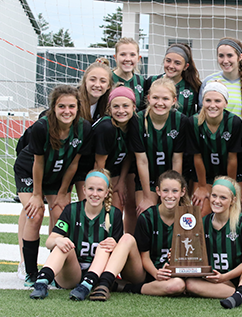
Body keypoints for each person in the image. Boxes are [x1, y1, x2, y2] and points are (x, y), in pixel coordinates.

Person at [14, 85, 92, 286]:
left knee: (59, 215)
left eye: (71, 107)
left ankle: (53, 271)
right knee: (35, 213)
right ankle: (31, 272)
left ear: (78, 107)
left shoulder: (84, 128)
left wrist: (62, 192)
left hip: (59, 174)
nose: (67, 111)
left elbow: (74, 163)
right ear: (53, 108)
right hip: (30, 171)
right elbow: (38, 162)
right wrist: (37, 195)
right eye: (61, 106)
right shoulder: (42, 127)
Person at [86, 170, 188, 301]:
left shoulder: (189, 219)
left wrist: (176, 261)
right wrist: (156, 273)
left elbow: (192, 256)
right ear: (158, 191)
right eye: (165, 190)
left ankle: (126, 288)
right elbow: (144, 257)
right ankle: (105, 282)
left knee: (178, 286)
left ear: (182, 192)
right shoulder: (147, 217)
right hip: (146, 272)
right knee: (127, 238)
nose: (170, 195)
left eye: (175, 191)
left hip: (173, 275)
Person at [29, 169, 123, 300]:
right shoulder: (71, 210)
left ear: (107, 193)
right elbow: (49, 242)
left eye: (100, 190)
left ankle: (86, 286)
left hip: (98, 274)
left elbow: (120, 252)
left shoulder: (114, 215)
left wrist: (115, 245)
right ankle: (41, 282)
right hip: (72, 273)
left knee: (105, 245)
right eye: (91, 188)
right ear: (83, 189)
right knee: (64, 244)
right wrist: (58, 241)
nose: (95, 194)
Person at [185, 176, 242, 309]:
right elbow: (195, 254)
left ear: (233, 200)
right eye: (214, 196)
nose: (216, 201)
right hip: (216, 280)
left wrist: (225, 276)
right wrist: (177, 257)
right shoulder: (203, 222)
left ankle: (241, 292)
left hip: (240, 277)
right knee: (190, 284)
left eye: (223, 198)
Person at [129, 77, 188, 216]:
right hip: (147, 179)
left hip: (171, 178)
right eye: (155, 98)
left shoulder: (181, 121)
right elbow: (142, 161)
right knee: (146, 214)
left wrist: (174, 191)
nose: (160, 103)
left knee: (173, 214)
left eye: (165, 99)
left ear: (174, 101)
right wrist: (147, 197)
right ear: (148, 98)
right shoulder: (137, 120)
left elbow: (177, 160)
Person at [187, 82, 242, 217]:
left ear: (225, 103)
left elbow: (232, 159)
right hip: (204, 175)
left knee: (231, 213)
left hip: (229, 174)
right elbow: (197, 157)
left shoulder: (234, 122)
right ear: (202, 102)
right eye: (208, 100)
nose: (212, 105)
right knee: (201, 211)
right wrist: (202, 186)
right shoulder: (193, 122)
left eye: (217, 100)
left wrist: (229, 187)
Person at [93, 86, 138, 233]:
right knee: (99, 207)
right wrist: (102, 188)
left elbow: (128, 156)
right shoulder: (107, 127)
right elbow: (99, 165)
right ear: (109, 108)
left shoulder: (133, 124)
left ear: (134, 107)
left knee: (117, 209)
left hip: (114, 171)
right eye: (116, 106)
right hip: (94, 171)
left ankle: (117, 244)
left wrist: (120, 182)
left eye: (125, 106)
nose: (121, 110)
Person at [73, 57, 114, 201]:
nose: (97, 85)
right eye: (92, 80)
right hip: (65, 161)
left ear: (109, 85)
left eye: (103, 81)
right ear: (85, 81)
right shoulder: (71, 102)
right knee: (57, 206)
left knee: (88, 204)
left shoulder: (109, 106)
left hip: (87, 163)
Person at [199, 37, 242, 123]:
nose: (225, 61)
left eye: (229, 55)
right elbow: (202, 112)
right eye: (221, 56)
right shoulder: (209, 81)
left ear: (240, 57)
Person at [144, 43, 201, 117]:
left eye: (177, 63)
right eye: (168, 61)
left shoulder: (194, 86)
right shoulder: (151, 81)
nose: (171, 66)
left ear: (185, 66)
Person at [112, 37, 145, 111]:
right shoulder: (107, 79)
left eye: (132, 55)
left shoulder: (142, 81)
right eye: (123, 54)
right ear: (115, 57)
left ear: (138, 58)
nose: (127, 59)